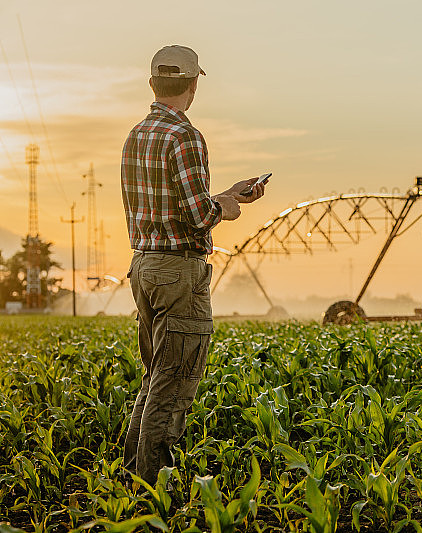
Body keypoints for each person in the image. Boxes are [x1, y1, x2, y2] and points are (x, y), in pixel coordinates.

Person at [120, 44, 266, 485]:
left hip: (144, 265)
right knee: (175, 381)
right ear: (193, 84)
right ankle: (154, 492)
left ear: (153, 84)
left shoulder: (137, 135)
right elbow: (198, 216)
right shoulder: (184, 136)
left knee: (155, 377)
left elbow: (169, 204)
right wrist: (226, 206)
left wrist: (222, 194)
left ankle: (131, 479)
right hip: (178, 270)